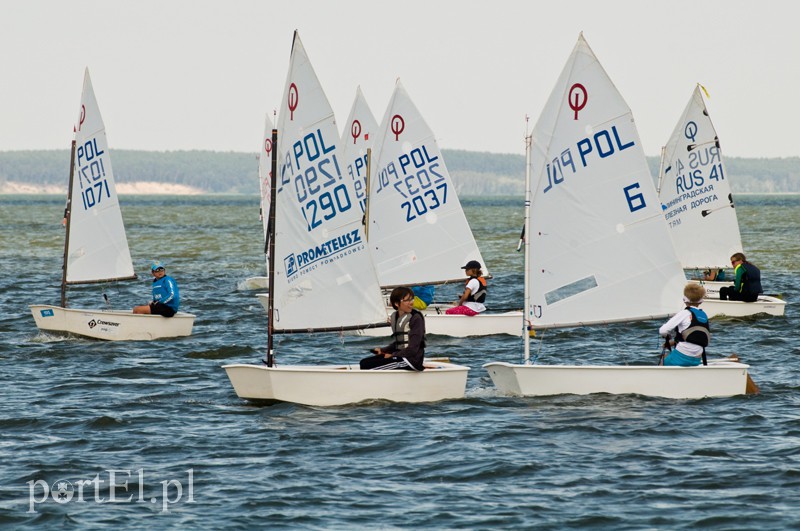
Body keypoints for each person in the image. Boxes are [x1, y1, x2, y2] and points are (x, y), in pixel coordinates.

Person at [360, 286, 425, 371]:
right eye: (407, 300)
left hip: (411, 360)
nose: (411, 303)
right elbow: (399, 343)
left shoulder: (416, 318)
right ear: (396, 304)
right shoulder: (395, 317)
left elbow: (413, 349)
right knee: (364, 363)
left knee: (368, 366)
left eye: (412, 299)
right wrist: (382, 350)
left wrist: (392, 355)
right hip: (400, 356)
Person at [659, 283, 711, 366]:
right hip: (697, 358)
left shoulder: (684, 313)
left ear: (684, 299)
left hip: (683, 356)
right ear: (701, 301)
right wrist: (671, 342)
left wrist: (666, 337)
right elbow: (694, 337)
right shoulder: (703, 315)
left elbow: (663, 330)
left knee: (663, 358)